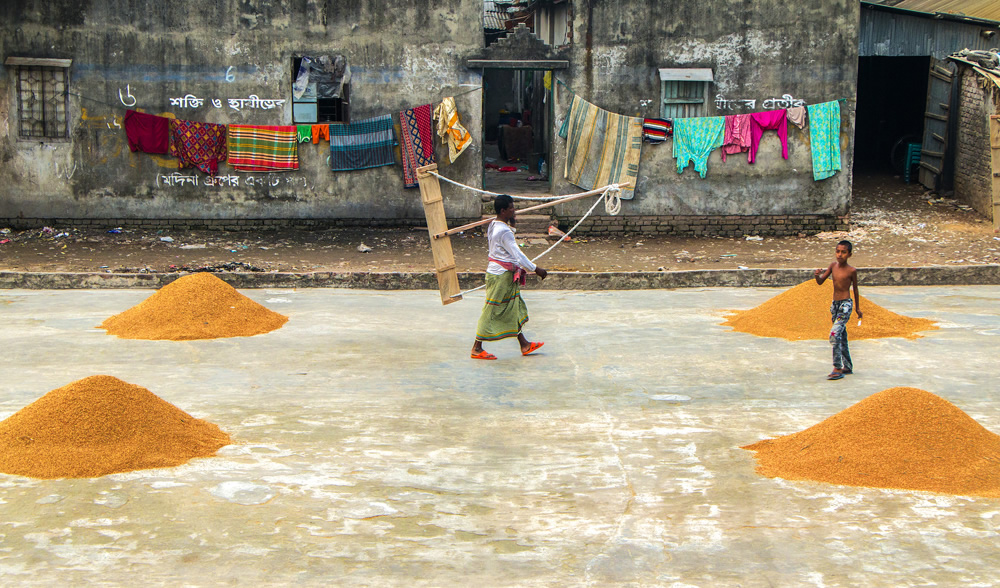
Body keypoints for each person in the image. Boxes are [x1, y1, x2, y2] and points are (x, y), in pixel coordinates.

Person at [471, 194, 548, 360]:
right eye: (511, 208)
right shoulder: (503, 231)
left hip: (501, 273)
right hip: (500, 276)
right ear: (503, 210)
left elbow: (506, 244)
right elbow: (518, 255)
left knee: (514, 307)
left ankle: (524, 344)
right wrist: (537, 269)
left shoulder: (494, 224)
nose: (514, 210)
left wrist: (511, 222)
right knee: (491, 309)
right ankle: (477, 347)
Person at [814, 240, 862, 380]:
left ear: (849, 254)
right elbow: (821, 282)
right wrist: (817, 275)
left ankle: (837, 367)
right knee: (842, 335)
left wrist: (857, 308)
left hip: (845, 305)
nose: (840, 255)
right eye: (838, 251)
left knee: (834, 334)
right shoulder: (833, 266)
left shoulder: (851, 270)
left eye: (843, 252)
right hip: (835, 305)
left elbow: (856, 289)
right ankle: (848, 366)